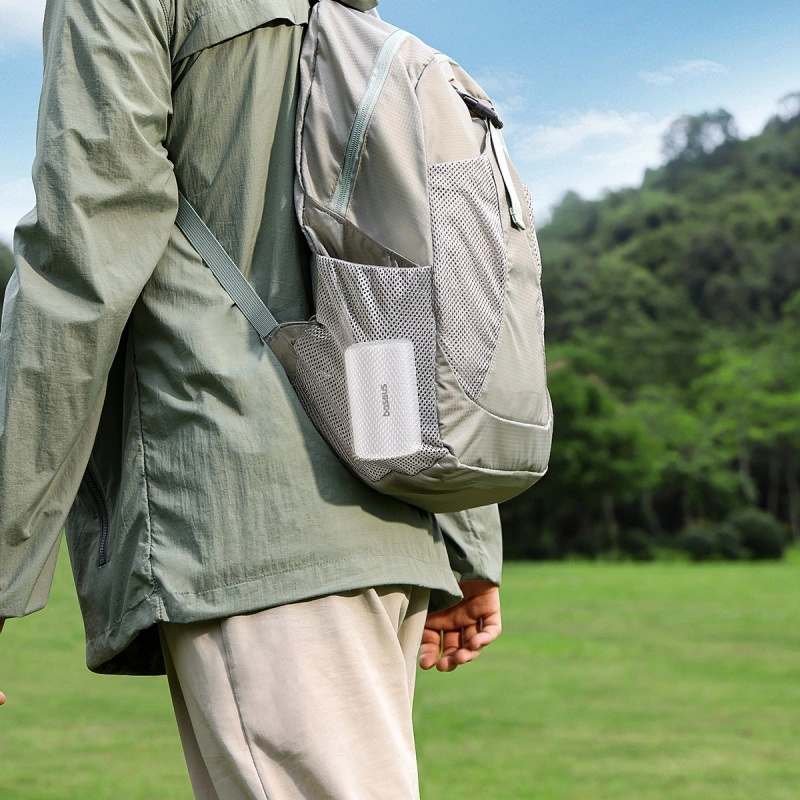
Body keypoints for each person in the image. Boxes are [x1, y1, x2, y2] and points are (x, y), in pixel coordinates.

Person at [0, 0, 503, 797]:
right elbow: (436, 289)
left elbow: (80, 265)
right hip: (388, 517)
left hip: (247, 518)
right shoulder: (348, 14)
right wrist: (462, 535)